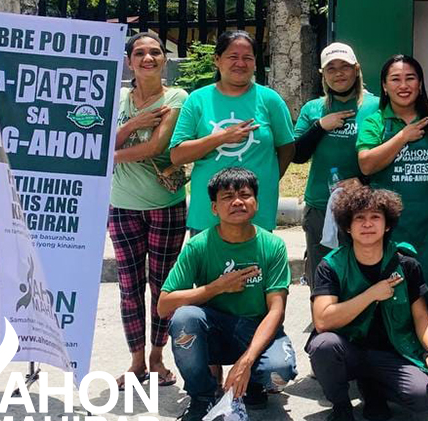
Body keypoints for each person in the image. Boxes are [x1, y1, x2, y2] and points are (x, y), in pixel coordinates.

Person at [306, 185, 428, 421]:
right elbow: (323, 320)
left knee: (422, 397)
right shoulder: (331, 265)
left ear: (387, 225)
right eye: (359, 218)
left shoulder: (406, 264)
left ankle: (373, 386)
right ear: (348, 227)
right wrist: (371, 294)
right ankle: (341, 407)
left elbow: (421, 315)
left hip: (391, 353)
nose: (367, 224)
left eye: (375, 217)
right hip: (347, 349)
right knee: (324, 345)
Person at [158, 167, 297, 421]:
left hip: (255, 329)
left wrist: (245, 362)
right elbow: (164, 304)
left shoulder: (273, 246)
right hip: (215, 330)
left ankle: (253, 383)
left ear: (256, 203)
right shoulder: (199, 245)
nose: (237, 202)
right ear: (213, 208)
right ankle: (202, 396)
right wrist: (216, 287)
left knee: (279, 372)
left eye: (245, 195)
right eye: (227, 197)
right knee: (185, 317)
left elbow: (276, 311)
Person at [108, 32, 188, 389]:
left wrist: (107, 157)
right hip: (121, 205)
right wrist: (132, 125)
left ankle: (158, 356)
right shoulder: (116, 99)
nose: (148, 58)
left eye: (155, 52)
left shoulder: (176, 97)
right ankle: (136, 359)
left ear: (164, 59)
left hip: (165, 206)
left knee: (162, 287)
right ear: (129, 61)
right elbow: (101, 138)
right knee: (129, 287)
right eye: (140, 53)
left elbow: (156, 146)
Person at [170, 31, 295, 235]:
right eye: (233, 57)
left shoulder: (270, 100)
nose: (240, 63)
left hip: (256, 211)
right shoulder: (197, 100)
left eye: (247, 58)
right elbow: (177, 155)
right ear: (217, 60)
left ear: (255, 63)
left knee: (255, 267)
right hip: (208, 212)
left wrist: (268, 179)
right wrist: (223, 137)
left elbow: (287, 148)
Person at [356, 55, 428, 312]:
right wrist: (403, 137)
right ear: (384, 86)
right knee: (392, 289)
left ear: (420, 84)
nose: (403, 85)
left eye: (410, 78)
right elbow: (366, 163)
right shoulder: (375, 121)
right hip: (390, 226)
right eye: (395, 79)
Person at [292, 42, 378, 284]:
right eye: (331, 68)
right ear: (323, 74)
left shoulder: (376, 106)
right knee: (322, 276)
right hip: (320, 205)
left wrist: (364, 181)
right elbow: (297, 155)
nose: (338, 73)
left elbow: (387, 155)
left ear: (357, 69)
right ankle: (324, 321)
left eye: (345, 67)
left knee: (363, 275)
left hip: (364, 205)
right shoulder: (313, 108)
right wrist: (320, 126)